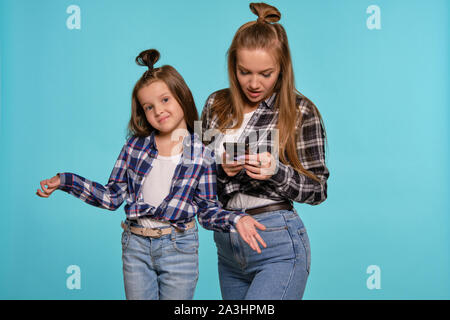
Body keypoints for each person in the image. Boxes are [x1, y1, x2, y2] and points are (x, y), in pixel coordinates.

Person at [36, 49, 261, 300]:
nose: (158, 111)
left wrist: (235, 220)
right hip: (136, 247)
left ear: (181, 97)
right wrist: (66, 181)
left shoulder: (202, 152)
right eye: (149, 106)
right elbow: (111, 197)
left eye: (165, 100)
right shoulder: (134, 147)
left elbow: (207, 210)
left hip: (179, 247)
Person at [200, 3, 330, 300]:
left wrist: (276, 171)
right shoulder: (213, 105)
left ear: (282, 68)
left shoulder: (301, 111)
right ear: (233, 65)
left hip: (277, 243)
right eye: (244, 72)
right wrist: (219, 168)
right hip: (228, 246)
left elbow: (319, 190)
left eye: (265, 73)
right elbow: (192, 173)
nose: (254, 83)